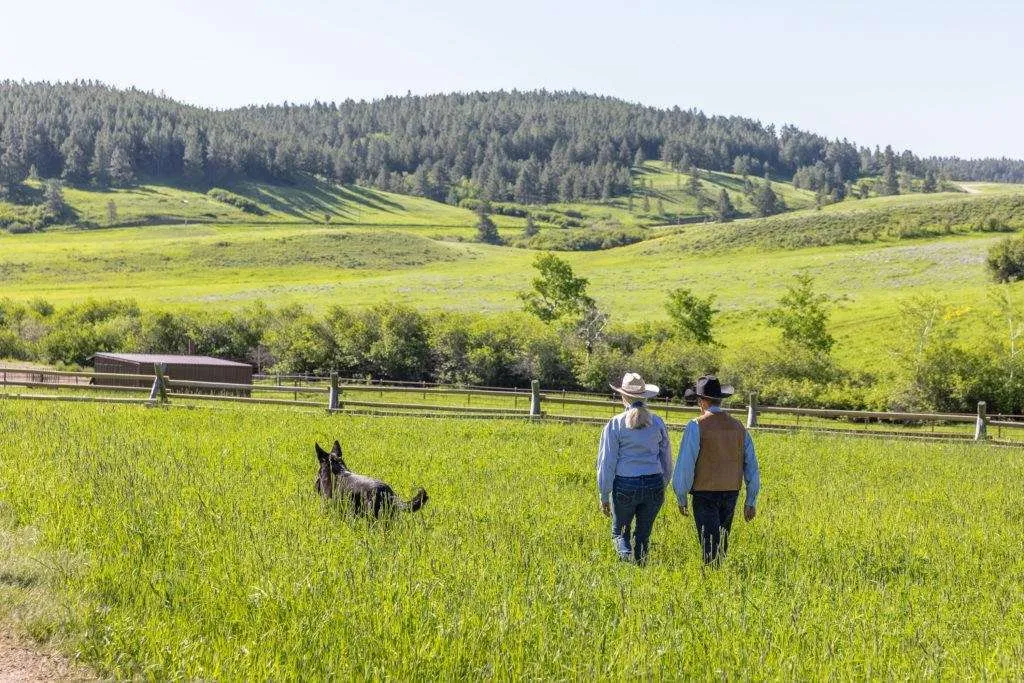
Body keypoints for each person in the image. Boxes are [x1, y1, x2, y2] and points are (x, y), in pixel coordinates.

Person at [672, 375, 760, 565]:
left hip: (704, 492)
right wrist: (750, 500)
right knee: (722, 541)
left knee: (708, 544)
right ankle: (718, 576)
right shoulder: (738, 427)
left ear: (702, 401)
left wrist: (681, 495)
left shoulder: (696, 426)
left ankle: (712, 577)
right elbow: (751, 465)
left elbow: (686, 464)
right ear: (720, 399)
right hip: (731, 491)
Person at [596, 372, 673, 565]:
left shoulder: (615, 424)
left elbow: (607, 462)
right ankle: (640, 567)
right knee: (643, 535)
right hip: (654, 481)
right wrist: (663, 483)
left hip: (625, 483)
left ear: (623, 396)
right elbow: (666, 457)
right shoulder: (657, 422)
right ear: (645, 396)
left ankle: (626, 564)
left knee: (619, 533)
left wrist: (604, 493)